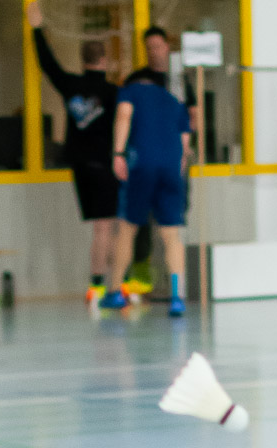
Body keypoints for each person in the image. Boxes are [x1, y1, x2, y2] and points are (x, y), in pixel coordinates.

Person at [26, 1, 118, 303]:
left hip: (79, 166)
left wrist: (37, 28)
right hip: (104, 165)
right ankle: (103, 285)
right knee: (106, 227)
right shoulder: (113, 93)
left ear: (83, 60)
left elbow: (48, 64)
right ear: (104, 60)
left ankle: (103, 284)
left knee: (101, 227)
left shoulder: (71, 85)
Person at [98, 69, 192, 316]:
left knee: (127, 229)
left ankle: (114, 292)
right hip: (171, 169)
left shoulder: (130, 92)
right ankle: (177, 298)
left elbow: (123, 116)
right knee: (171, 235)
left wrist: (118, 153)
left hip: (142, 165)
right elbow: (185, 145)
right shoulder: (174, 101)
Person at [121, 26, 197, 296]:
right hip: (144, 159)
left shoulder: (178, 81)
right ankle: (140, 274)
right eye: (149, 47)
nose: (154, 52)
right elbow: (125, 117)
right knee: (138, 219)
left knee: (174, 219)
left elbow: (192, 115)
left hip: (173, 159)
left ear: (167, 47)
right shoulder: (137, 81)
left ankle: (175, 282)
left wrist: (185, 146)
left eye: (158, 46)